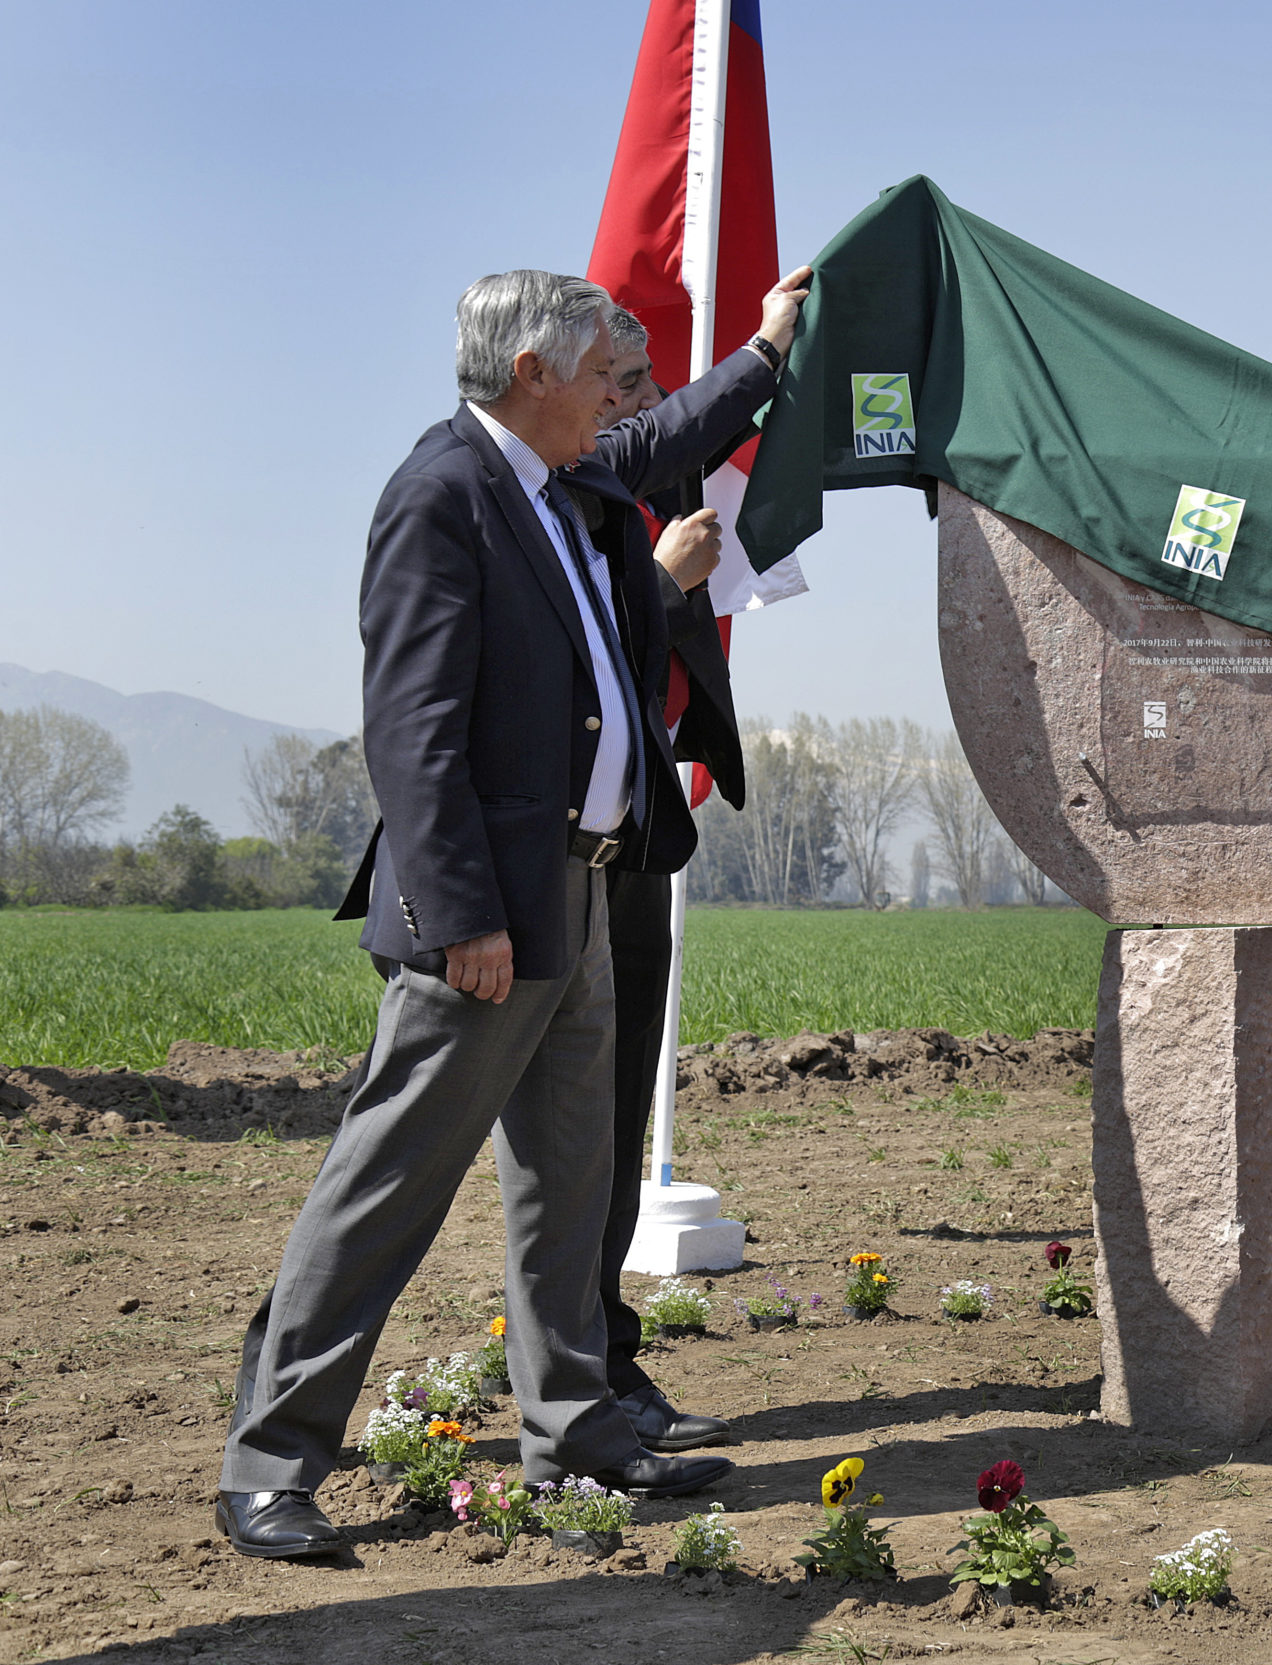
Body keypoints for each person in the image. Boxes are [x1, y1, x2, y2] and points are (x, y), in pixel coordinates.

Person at [216, 271, 732, 1560]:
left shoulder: (565, 493)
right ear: (530, 376)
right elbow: (412, 732)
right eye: (599, 375)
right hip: (489, 919)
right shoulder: (443, 491)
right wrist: (462, 915)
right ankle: (271, 1462)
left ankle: (580, 1437)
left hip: (590, 893)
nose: (619, 396)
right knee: (387, 1184)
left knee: (570, 1188)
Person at [561, 282, 809, 1450]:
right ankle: (289, 1390)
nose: (648, 402)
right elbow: (569, 659)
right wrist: (762, 348)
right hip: (541, 871)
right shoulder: (545, 488)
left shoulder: (640, 471)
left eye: (656, 383)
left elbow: (680, 441)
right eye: (626, 383)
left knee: (611, 1129)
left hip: (639, 842)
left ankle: (598, 1373)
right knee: (426, 1152)